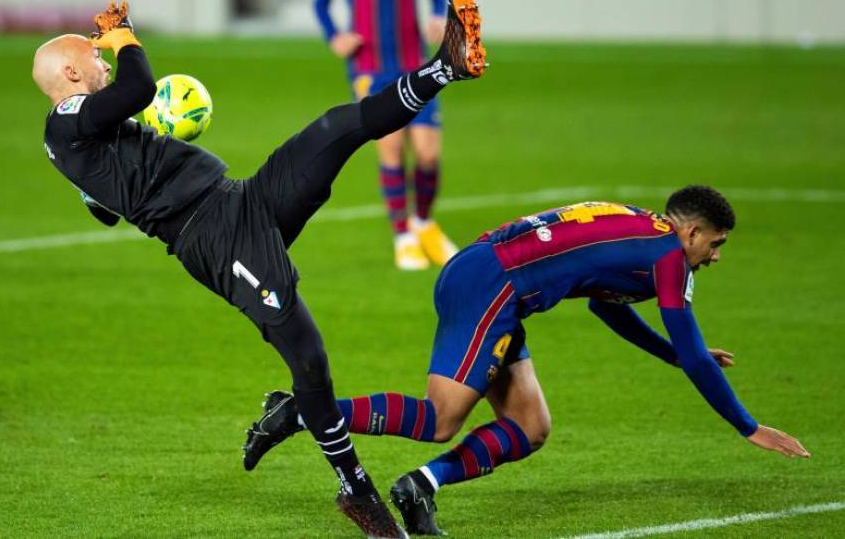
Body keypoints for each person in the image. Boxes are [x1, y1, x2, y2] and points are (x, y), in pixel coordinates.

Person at [32, 0, 485, 538]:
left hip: (239, 199)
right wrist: (126, 38)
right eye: (92, 55)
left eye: (102, 50)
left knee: (338, 127)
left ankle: (445, 67)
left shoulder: (76, 135)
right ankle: (355, 488)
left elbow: (105, 202)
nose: (100, 57)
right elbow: (140, 86)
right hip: (217, 240)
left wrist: (104, 180)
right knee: (310, 358)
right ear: (70, 76)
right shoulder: (66, 119)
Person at [242, 186, 810, 535]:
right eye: (714, 244)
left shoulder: (644, 232)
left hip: (492, 280)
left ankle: (420, 487)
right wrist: (747, 426)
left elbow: (606, 307)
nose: (714, 256)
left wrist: (678, 356)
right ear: (691, 231)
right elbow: (687, 345)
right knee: (441, 420)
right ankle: (297, 412)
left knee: (531, 426)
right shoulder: (670, 258)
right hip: (493, 286)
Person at [314, 0, 458, 270]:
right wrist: (334, 37)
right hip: (370, 69)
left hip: (415, 63)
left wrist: (436, 16)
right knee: (391, 148)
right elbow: (321, 1)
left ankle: (423, 223)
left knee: (428, 153)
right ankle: (403, 237)